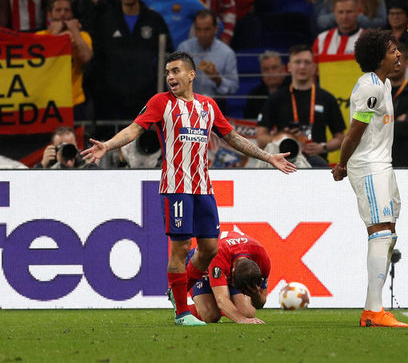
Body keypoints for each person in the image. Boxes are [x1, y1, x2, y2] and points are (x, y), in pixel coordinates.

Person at [81, 51, 296, 326]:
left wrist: (268, 157)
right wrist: (108, 145)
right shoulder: (161, 103)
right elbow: (134, 130)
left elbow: (233, 138)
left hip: (203, 188)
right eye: (167, 72)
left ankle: (178, 290)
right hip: (176, 188)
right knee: (181, 248)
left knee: (209, 248)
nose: (170, 77)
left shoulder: (208, 106)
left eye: (176, 71)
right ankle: (182, 313)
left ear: (191, 74)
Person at [331, 29, 408, 328]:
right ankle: (373, 311)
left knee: (388, 234)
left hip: (383, 165)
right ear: (378, 57)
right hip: (368, 166)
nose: (399, 53)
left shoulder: (384, 83)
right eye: (392, 50)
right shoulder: (370, 89)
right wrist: (342, 164)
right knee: (380, 233)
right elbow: (354, 132)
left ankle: (374, 309)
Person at [90, 0, 173, 122]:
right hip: (112, 99)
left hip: (146, 95)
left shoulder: (154, 20)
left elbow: (167, 53)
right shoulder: (106, 21)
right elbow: (98, 56)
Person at [257, 45, 346, 167]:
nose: (302, 66)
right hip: (285, 162)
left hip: (317, 162)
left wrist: (322, 147)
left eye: (307, 62)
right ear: (289, 67)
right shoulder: (276, 98)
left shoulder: (326, 98)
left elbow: (341, 138)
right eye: (297, 62)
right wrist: (283, 137)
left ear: (314, 67)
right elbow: (260, 138)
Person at [171, 231, 271, 324]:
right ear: (232, 272)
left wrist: (255, 293)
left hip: (226, 262)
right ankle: (182, 309)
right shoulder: (219, 254)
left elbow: (260, 304)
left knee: (247, 313)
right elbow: (221, 298)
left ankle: (224, 309)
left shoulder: (262, 258)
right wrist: (242, 320)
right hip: (203, 266)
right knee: (210, 315)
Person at [35, 0, 93, 120]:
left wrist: (75, 32)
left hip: (74, 101)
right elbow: (39, 65)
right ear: (50, 14)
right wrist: (55, 34)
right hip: (45, 102)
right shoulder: (39, 36)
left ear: (72, 14)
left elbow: (86, 57)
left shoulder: (82, 36)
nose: (62, 14)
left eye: (67, 10)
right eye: (58, 10)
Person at [177, 9, 239, 99]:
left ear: (215, 29)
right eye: (198, 29)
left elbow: (233, 87)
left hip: (216, 103)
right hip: (188, 102)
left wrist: (218, 80)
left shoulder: (227, 53)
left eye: (206, 29)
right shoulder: (184, 49)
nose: (202, 34)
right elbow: (171, 82)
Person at [244, 50, 287, 120]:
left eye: (274, 68)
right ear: (261, 73)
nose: (271, 72)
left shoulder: (293, 90)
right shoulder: (254, 95)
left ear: (283, 69)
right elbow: (248, 122)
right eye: (266, 69)